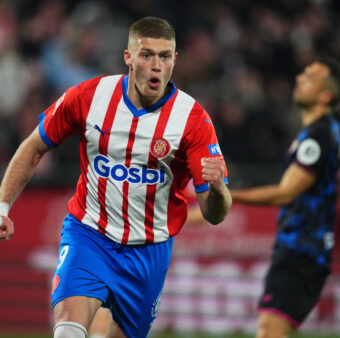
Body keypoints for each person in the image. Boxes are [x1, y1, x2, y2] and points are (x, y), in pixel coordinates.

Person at [0, 16, 232, 338]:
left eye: (164, 56)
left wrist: (218, 189)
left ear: (175, 60)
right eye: (146, 54)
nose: (156, 66)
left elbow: (214, 214)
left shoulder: (193, 121)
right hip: (90, 234)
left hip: (147, 252)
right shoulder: (88, 97)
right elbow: (34, 147)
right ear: (128, 57)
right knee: (68, 329)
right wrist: (3, 206)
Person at [231, 57, 340, 338]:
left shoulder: (319, 137)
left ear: (326, 95)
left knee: (269, 332)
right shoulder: (318, 134)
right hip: (304, 251)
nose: (299, 79)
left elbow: (285, 192)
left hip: (302, 251)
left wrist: (227, 193)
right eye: (302, 74)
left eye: (310, 77)